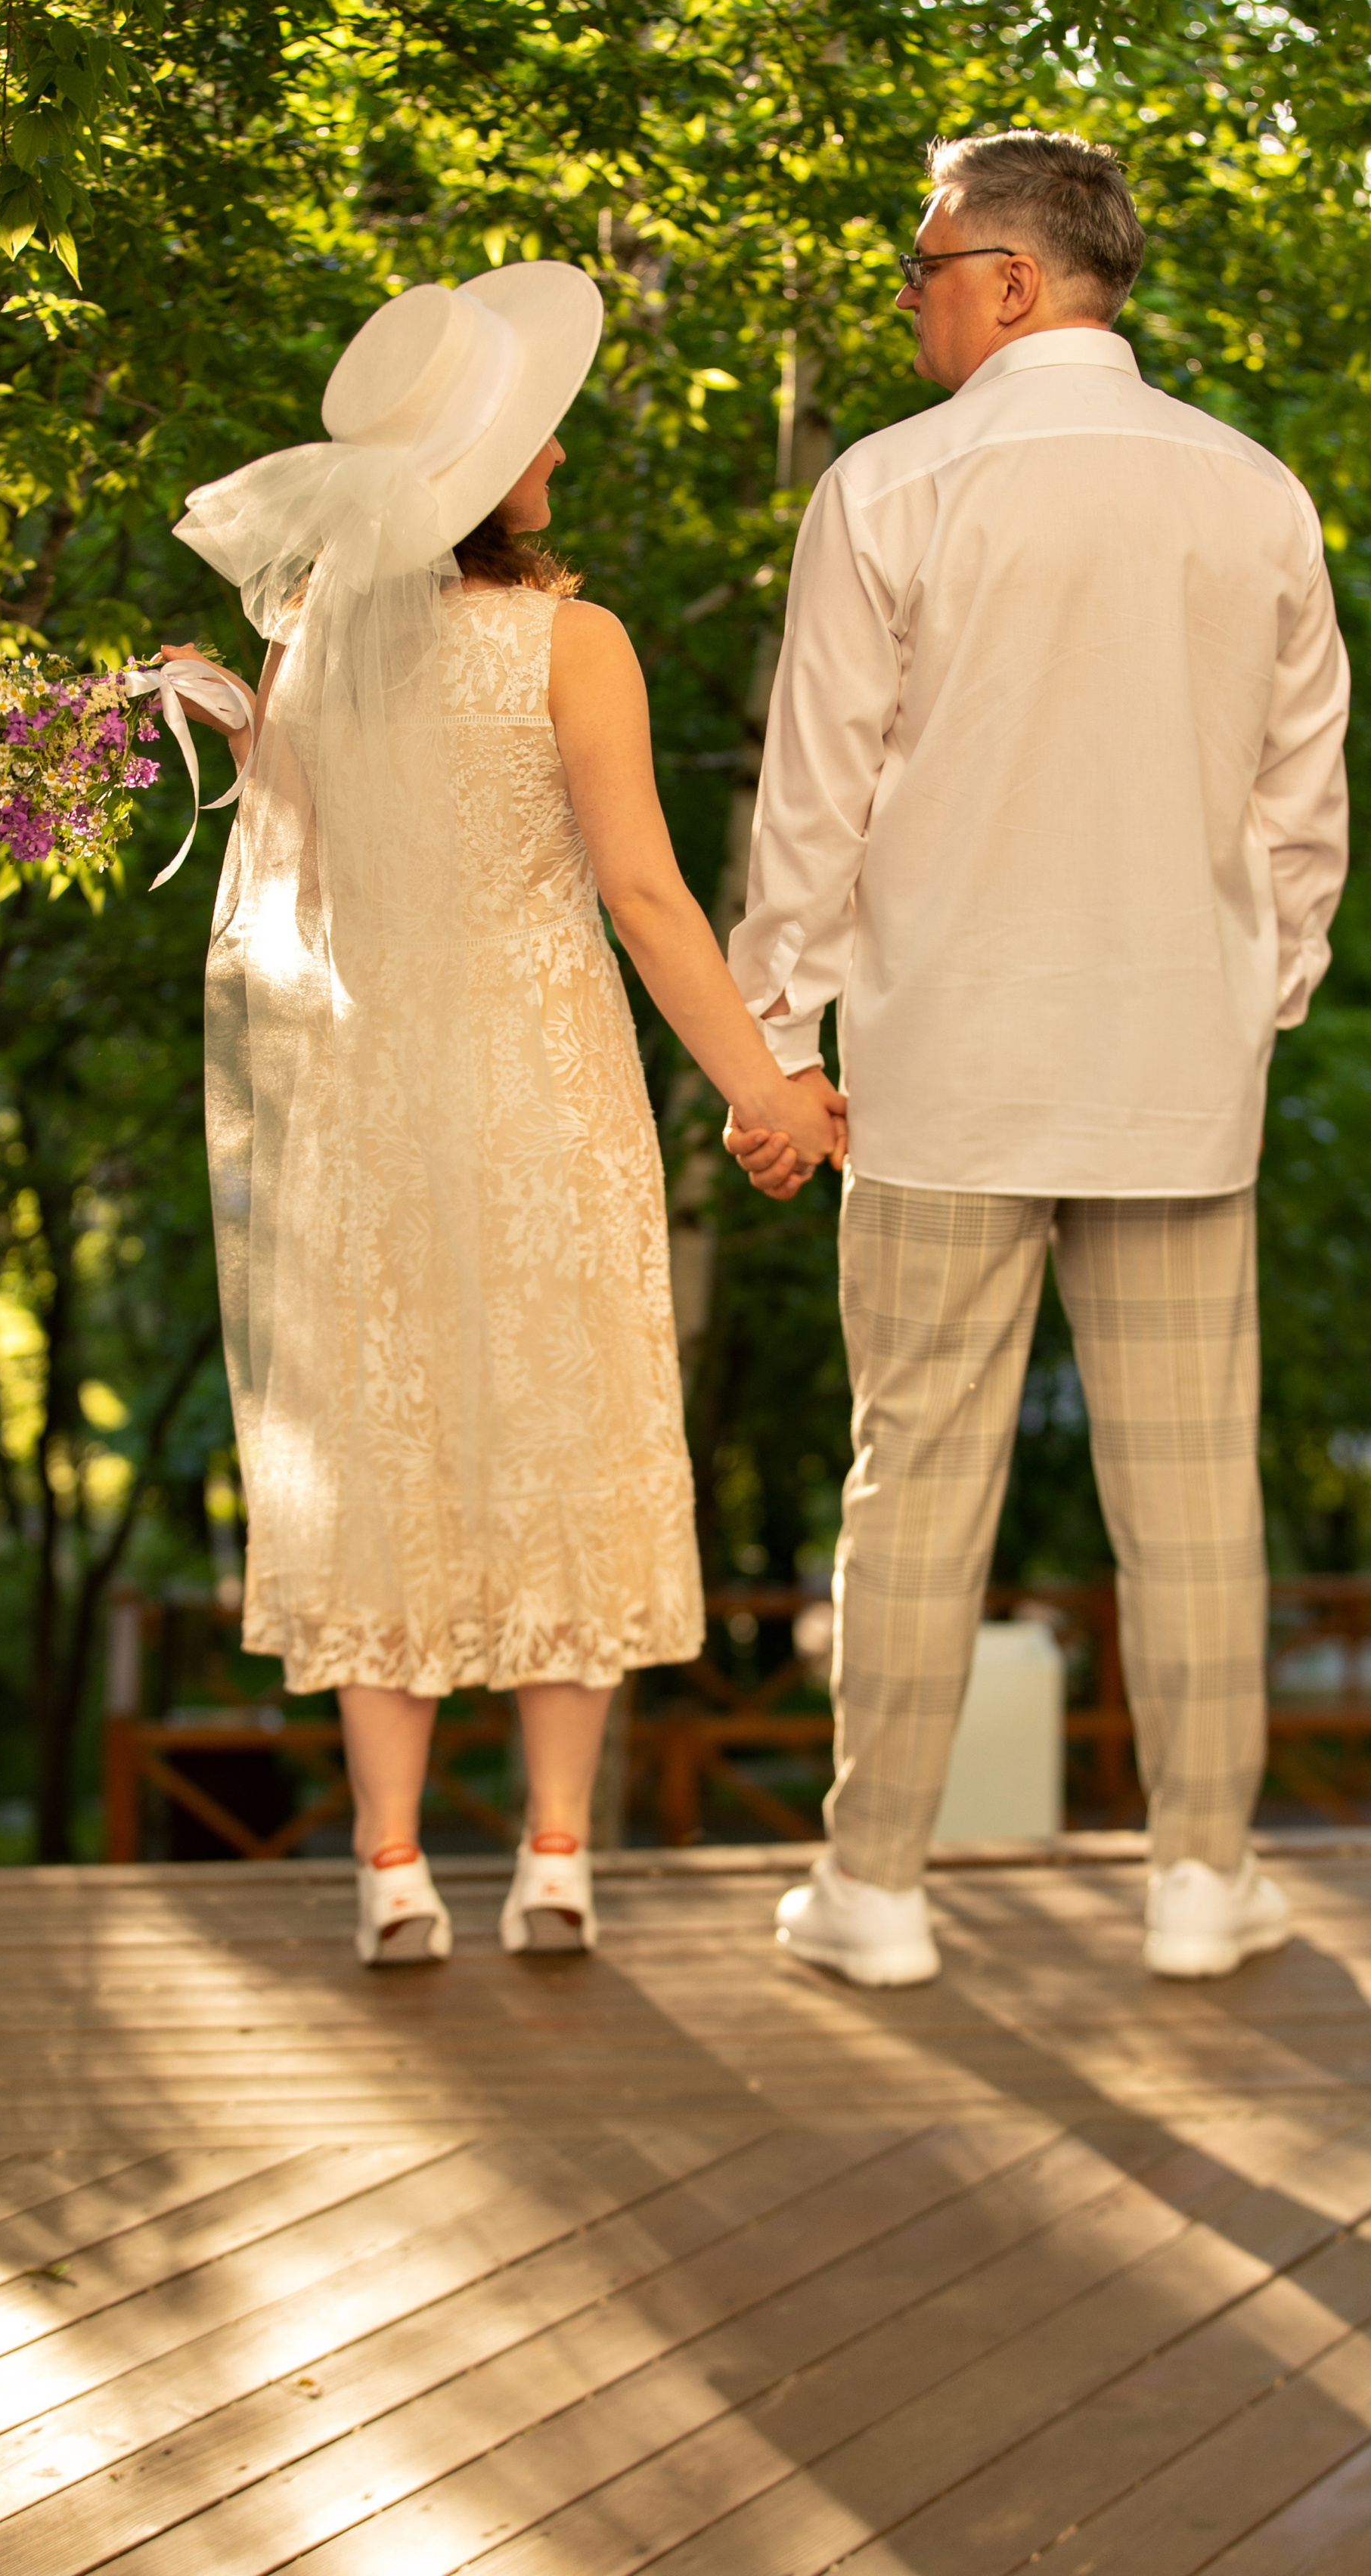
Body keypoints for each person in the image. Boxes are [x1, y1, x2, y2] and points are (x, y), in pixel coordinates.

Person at [726, 130, 1351, 1988]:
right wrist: (1249, 1003)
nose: (905, 301)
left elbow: (813, 800)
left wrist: (777, 1045)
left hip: (943, 1069)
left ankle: (873, 1890)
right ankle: (1199, 1878)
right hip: (1175, 1074)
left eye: (919, 268)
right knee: (1191, 1494)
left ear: (1007, 281)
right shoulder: (1252, 493)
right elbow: (1300, 806)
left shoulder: (888, 487)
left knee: (913, 1484)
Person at [166, 267, 844, 1966]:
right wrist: (764, 1092)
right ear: (481, 472)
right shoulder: (572, 642)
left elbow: (302, 859)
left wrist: (240, 713)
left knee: (381, 1442)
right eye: (534, 434)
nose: (554, 452)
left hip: (367, 1099)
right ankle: (552, 1859)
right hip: (543, 1087)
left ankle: (393, 1868)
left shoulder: (319, 642)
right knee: (567, 1429)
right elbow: (644, 893)